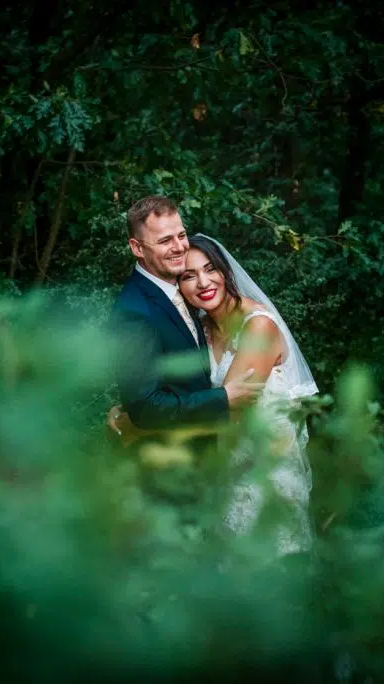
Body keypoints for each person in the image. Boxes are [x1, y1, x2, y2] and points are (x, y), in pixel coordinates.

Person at [111, 231, 320, 556]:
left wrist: (135, 423)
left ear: (226, 271)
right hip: (218, 473)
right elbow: (179, 389)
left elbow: (230, 409)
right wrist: (137, 403)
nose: (204, 282)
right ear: (177, 287)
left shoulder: (258, 327)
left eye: (211, 269)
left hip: (263, 475)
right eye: (188, 276)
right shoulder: (200, 330)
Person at [109, 196, 265, 440]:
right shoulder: (134, 312)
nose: (179, 246)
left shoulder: (186, 292)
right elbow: (145, 407)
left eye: (181, 235)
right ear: (137, 247)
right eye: (165, 240)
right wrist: (223, 398)